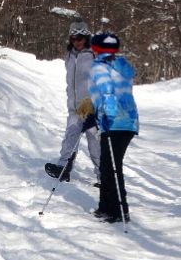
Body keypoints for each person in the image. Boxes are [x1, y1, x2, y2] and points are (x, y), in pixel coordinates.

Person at [87, 32, 139, 223]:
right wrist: (92, 109)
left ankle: (118, 211)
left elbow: (107, 92)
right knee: (107, 165)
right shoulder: (121, 66)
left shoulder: (98, 67)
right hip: (129, 122)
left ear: (96, 49)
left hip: (114, 122)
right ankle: (105, 207)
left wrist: (107, 115)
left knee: (111, 167)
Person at [44, 21, 100, 184]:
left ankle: (104, 176)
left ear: (86, 37)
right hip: (75, 106)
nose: (77, 41)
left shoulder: (94, 55)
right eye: (74, 38)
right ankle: (63, 169)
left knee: (95, 144)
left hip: (92, 106)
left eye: (80, 37)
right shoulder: (69, 55)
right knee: (70, 137)